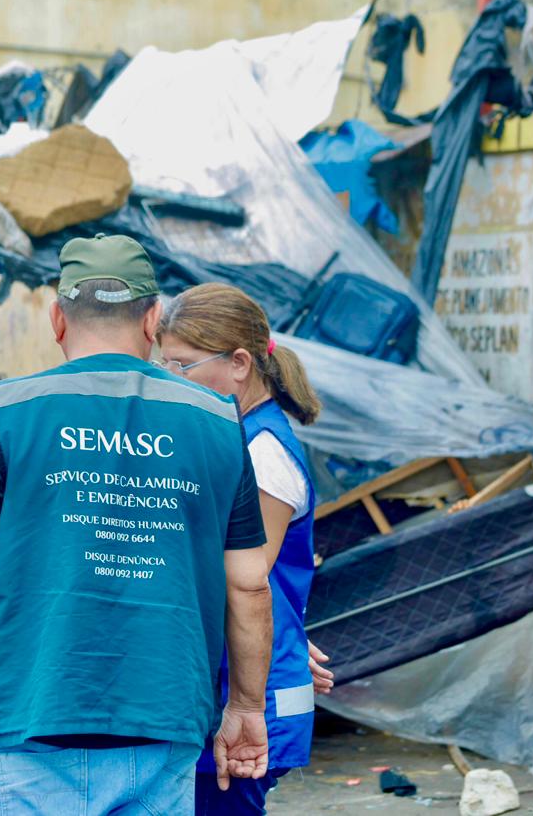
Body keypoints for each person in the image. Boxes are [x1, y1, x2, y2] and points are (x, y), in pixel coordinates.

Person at [0, 234, 275, 814]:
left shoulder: (6, 412)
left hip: (27, 721)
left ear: (57, 318)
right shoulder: (216, 421)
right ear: (154, 319)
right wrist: (247, 707)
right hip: (162, 726)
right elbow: (249, 584)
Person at [158, 282, 331, 816]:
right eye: (163, 364)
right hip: (242, 678)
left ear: (238, 363)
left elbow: (242, 580)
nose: (170, 379)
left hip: (251, 700)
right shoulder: (238, 437)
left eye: (182, 366)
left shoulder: (264, 453)